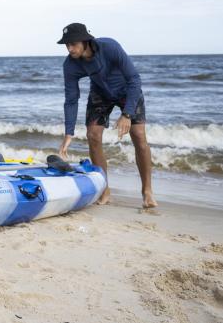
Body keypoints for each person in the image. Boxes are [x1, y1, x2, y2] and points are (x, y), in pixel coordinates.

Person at [57, 23, 157, 208]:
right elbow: (71, 100)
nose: (70, 48)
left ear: (85, 40)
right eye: (67, 45)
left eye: (73, 44)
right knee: (93, 136)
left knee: (139, 135)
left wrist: (126, 114)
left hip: (127, 91)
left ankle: (147, 191)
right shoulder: (70, 65)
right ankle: (105, 190)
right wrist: (68, 133)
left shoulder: (109, 47)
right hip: (101, 92)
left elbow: (134, 79)